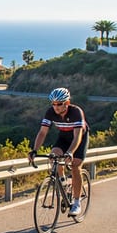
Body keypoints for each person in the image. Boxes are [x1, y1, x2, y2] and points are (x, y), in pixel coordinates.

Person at [28, 87, 89, 216]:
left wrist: (71, 152)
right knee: (53, 155)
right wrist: (34, 150)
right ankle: (64, 183)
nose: (56, 107)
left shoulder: (76, 112)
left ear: (67, 103)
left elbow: (77, 136)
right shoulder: (50, 112)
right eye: (53, 104)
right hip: (64, 136)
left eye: (59, 104)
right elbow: (42, 132)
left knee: (75, 166)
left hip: (79, 138)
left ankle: (77, 202)